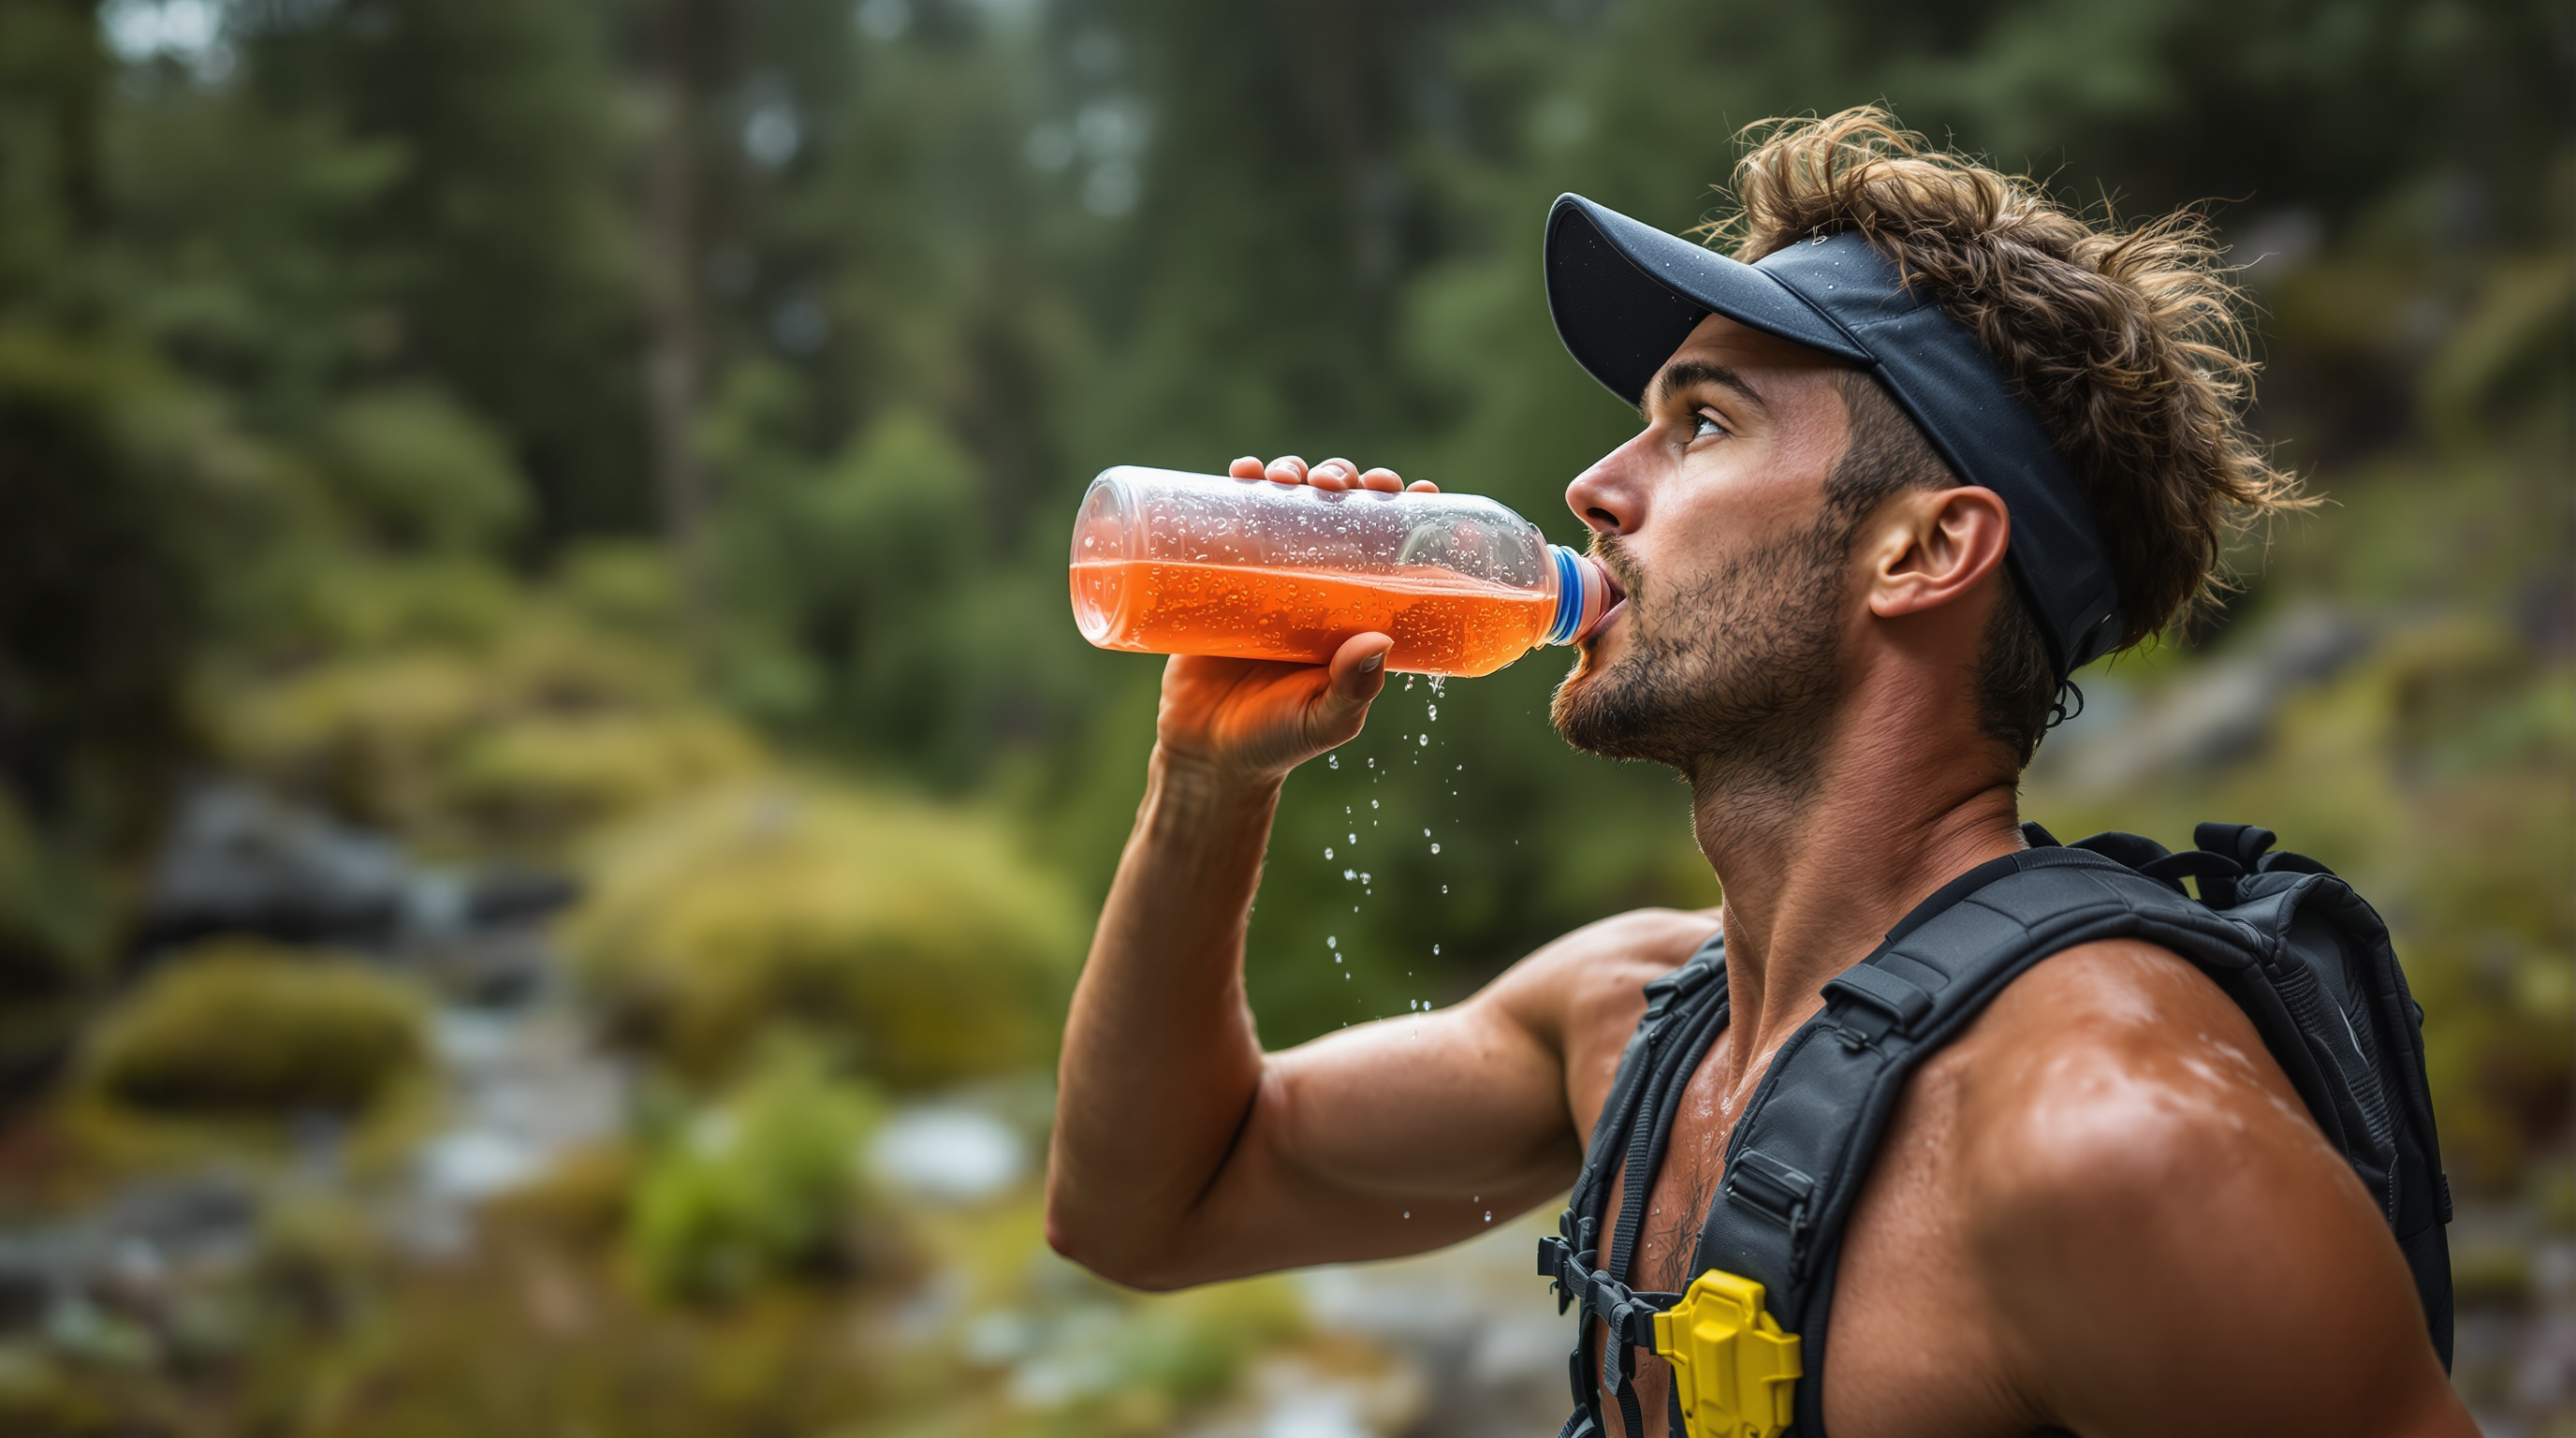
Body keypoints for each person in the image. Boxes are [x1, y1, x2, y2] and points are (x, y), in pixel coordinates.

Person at [1045, 107, 2474, 1437]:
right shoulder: (1627, 1020)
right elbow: (1148, 1209)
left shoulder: (2109, 1138)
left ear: (1921, 551)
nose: (1595, 490)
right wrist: (1205, 781)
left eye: (1702, 423)